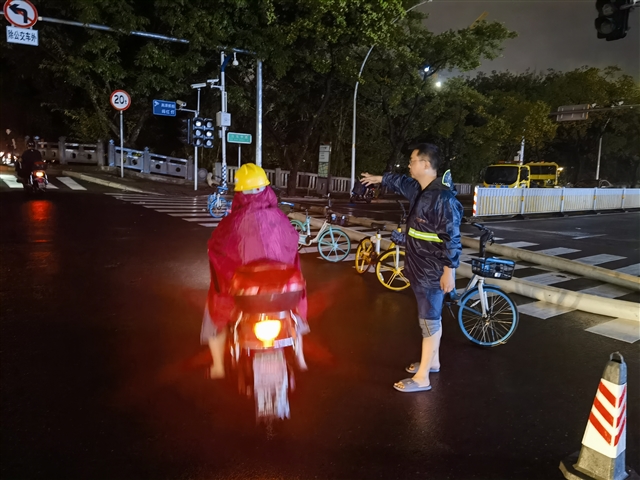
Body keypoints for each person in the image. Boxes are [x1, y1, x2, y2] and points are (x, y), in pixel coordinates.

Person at [360, 143, 463, 393]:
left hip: (432, 270)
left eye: (412, 161)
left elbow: (452, 237)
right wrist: (380, 179)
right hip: (420, 266)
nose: (409, 165)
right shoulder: (420, 189)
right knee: (430, 319)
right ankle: (432, 362)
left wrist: (449, 271)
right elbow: (400, 182)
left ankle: (422, 378)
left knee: (429, 321)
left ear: (425, 164)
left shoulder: (442, 198)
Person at [201, 163, 308, 378]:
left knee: (214, 312)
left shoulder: (231, 222)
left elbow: (216, 250)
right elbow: (292, 245)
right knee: (294, 315)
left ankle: (218, 367)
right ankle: (300, 357)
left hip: (246, 295)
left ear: (240, 193)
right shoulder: (280, 218)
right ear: (266, 189)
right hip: (281, 292)